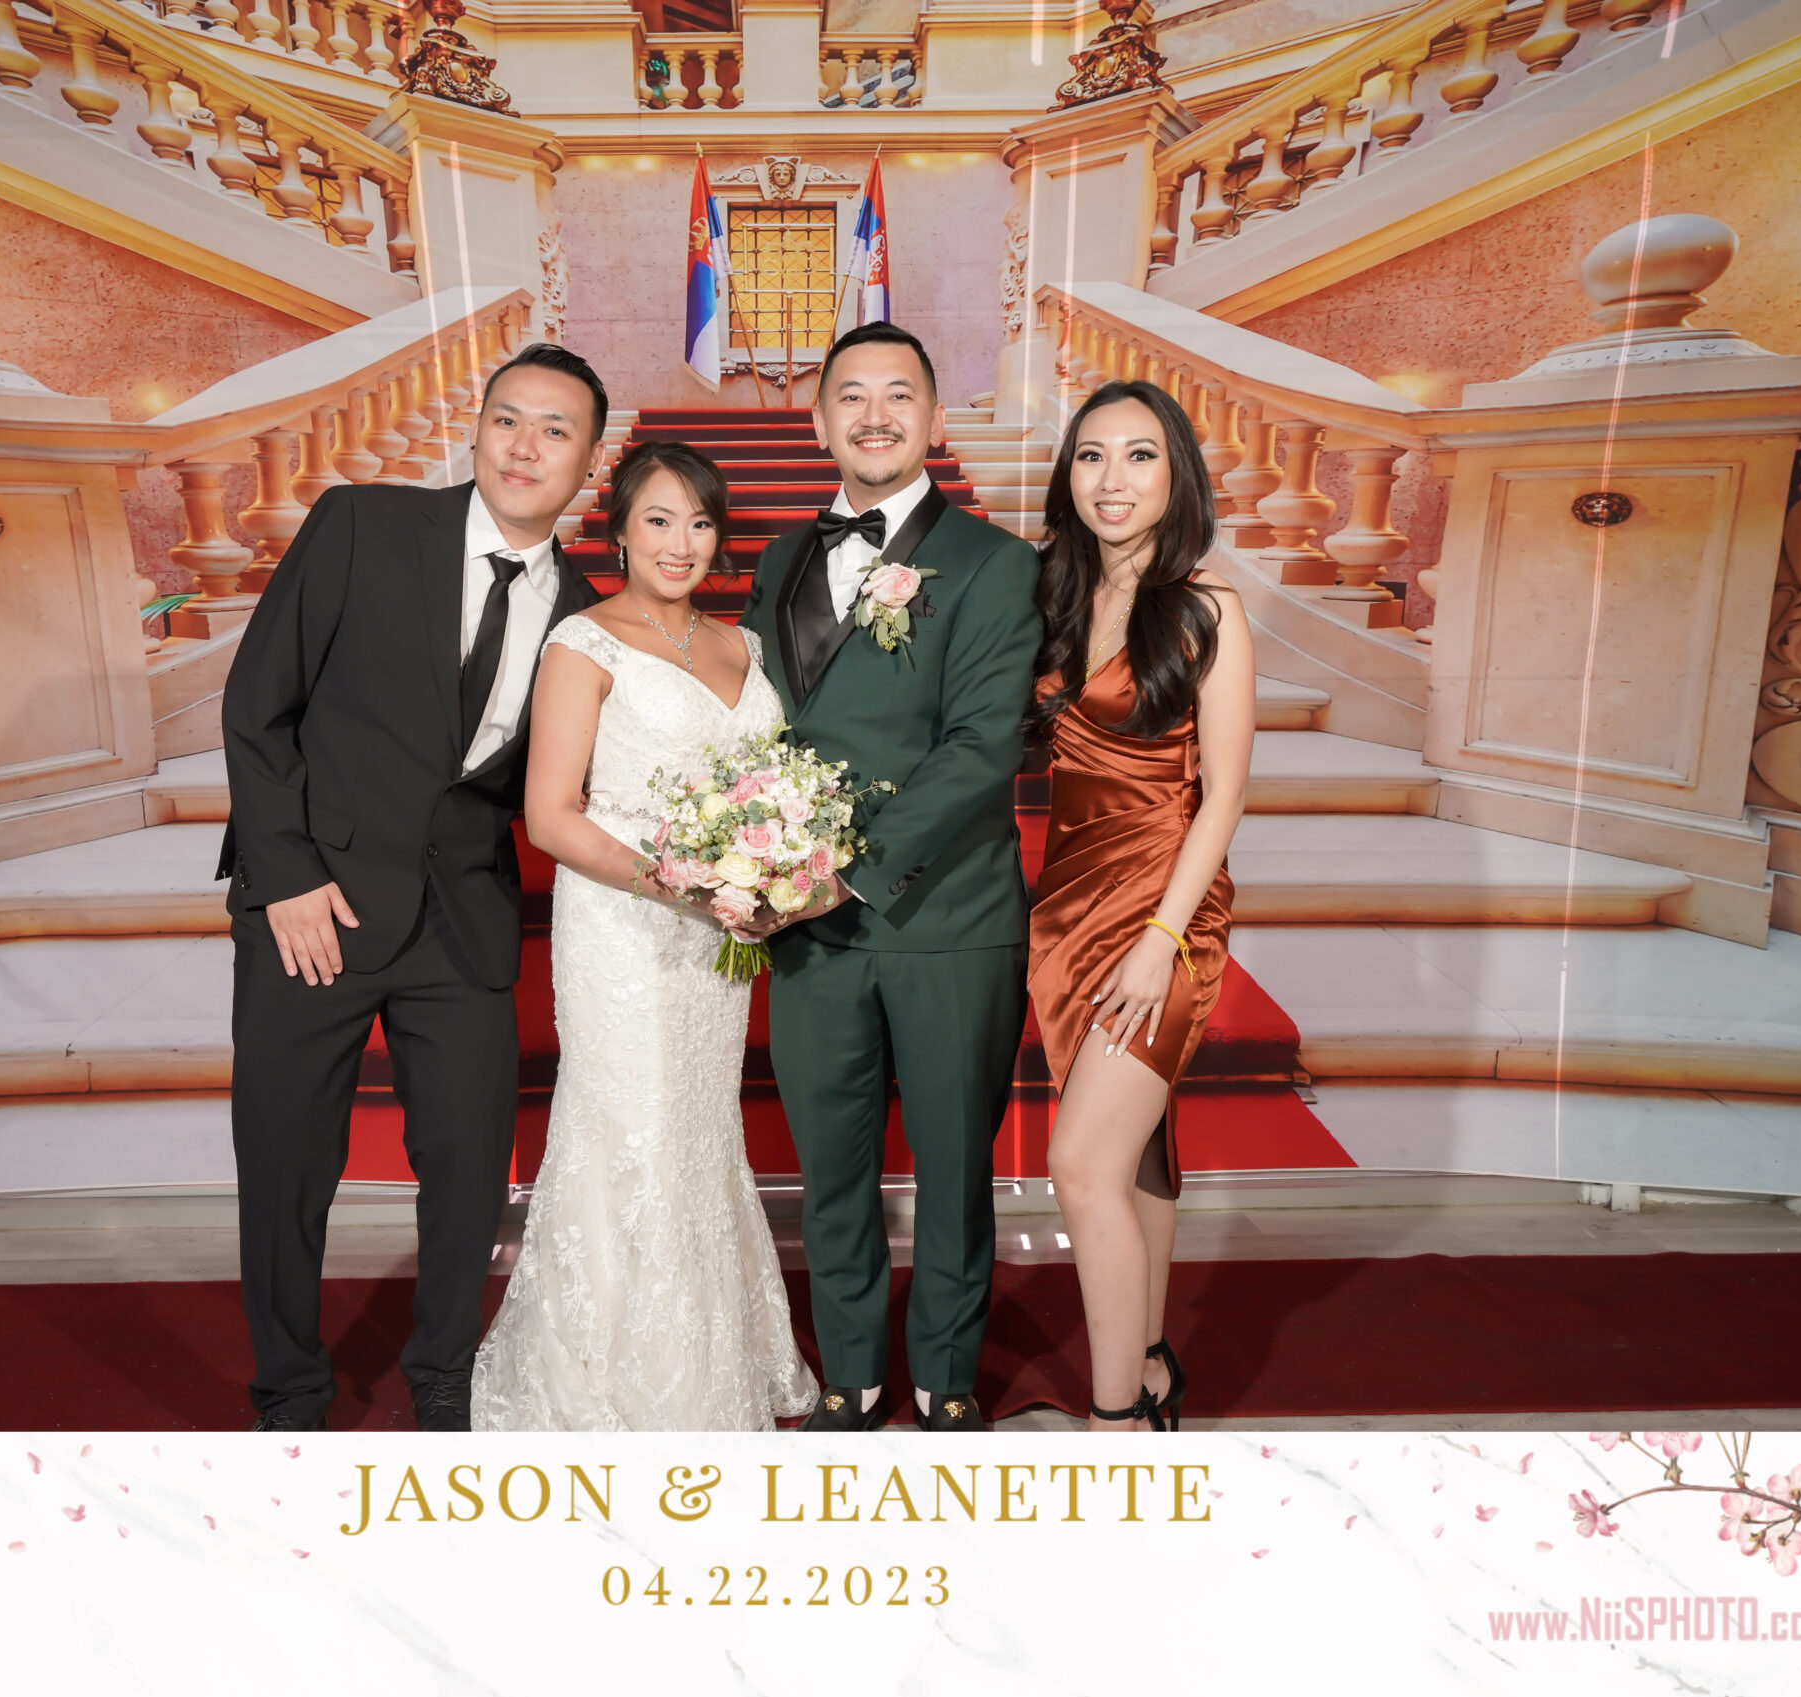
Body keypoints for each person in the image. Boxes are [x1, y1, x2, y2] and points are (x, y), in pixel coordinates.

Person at [218, 343, 612, 1432]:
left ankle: (444, 1371)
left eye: (555, 430)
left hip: (462, 918)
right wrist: (286, 876)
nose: (524, 446)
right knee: (286, 1163)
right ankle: (289, 1388)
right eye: (507, 419)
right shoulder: (363, 523)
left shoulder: (588, 616)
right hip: (315, 905)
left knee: (470, 1168)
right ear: (477, 429)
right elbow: (258, 706)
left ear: (589, 461)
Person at [471, 441, 819, 1430]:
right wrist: (682, 885)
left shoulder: (744, 645)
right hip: (625, 928)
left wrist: (767, 872)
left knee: (699, 1128)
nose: (680, 542)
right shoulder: (584, 642)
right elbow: (551, 816)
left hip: (720, 936)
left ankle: (715, 1357)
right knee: (634, 1128)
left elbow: (766, 787)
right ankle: (620, 1380)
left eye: (699, 522)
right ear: (618, 529)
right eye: (658, 519)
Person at [739, 322, 1043, 1433]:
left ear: (935, 418)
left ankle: (947, 1379)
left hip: (945, 914)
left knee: (954, 1165)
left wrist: (850, 872)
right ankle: (853, 1374)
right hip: (806, 924)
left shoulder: (996, 563)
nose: (875, 415)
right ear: (820, 420)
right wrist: (753, 851)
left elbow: (980, 746)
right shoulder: (780, 558)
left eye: (899, 394)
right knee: (830, 1165)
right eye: (852, 396)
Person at [1026, 379, 1255, 1432]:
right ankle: (1152, 1360)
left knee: (1080, 1164)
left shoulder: (1208, 609)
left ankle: (1113, 1422)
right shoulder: (1053, 598)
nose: (1110, 479)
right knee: (1135, 1149)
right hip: (1066, 904)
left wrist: (1163, 940)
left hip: (1165, 908)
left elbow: (1225, 796)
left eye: (1139, 455)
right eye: (1090, 456)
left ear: (1177, 476)